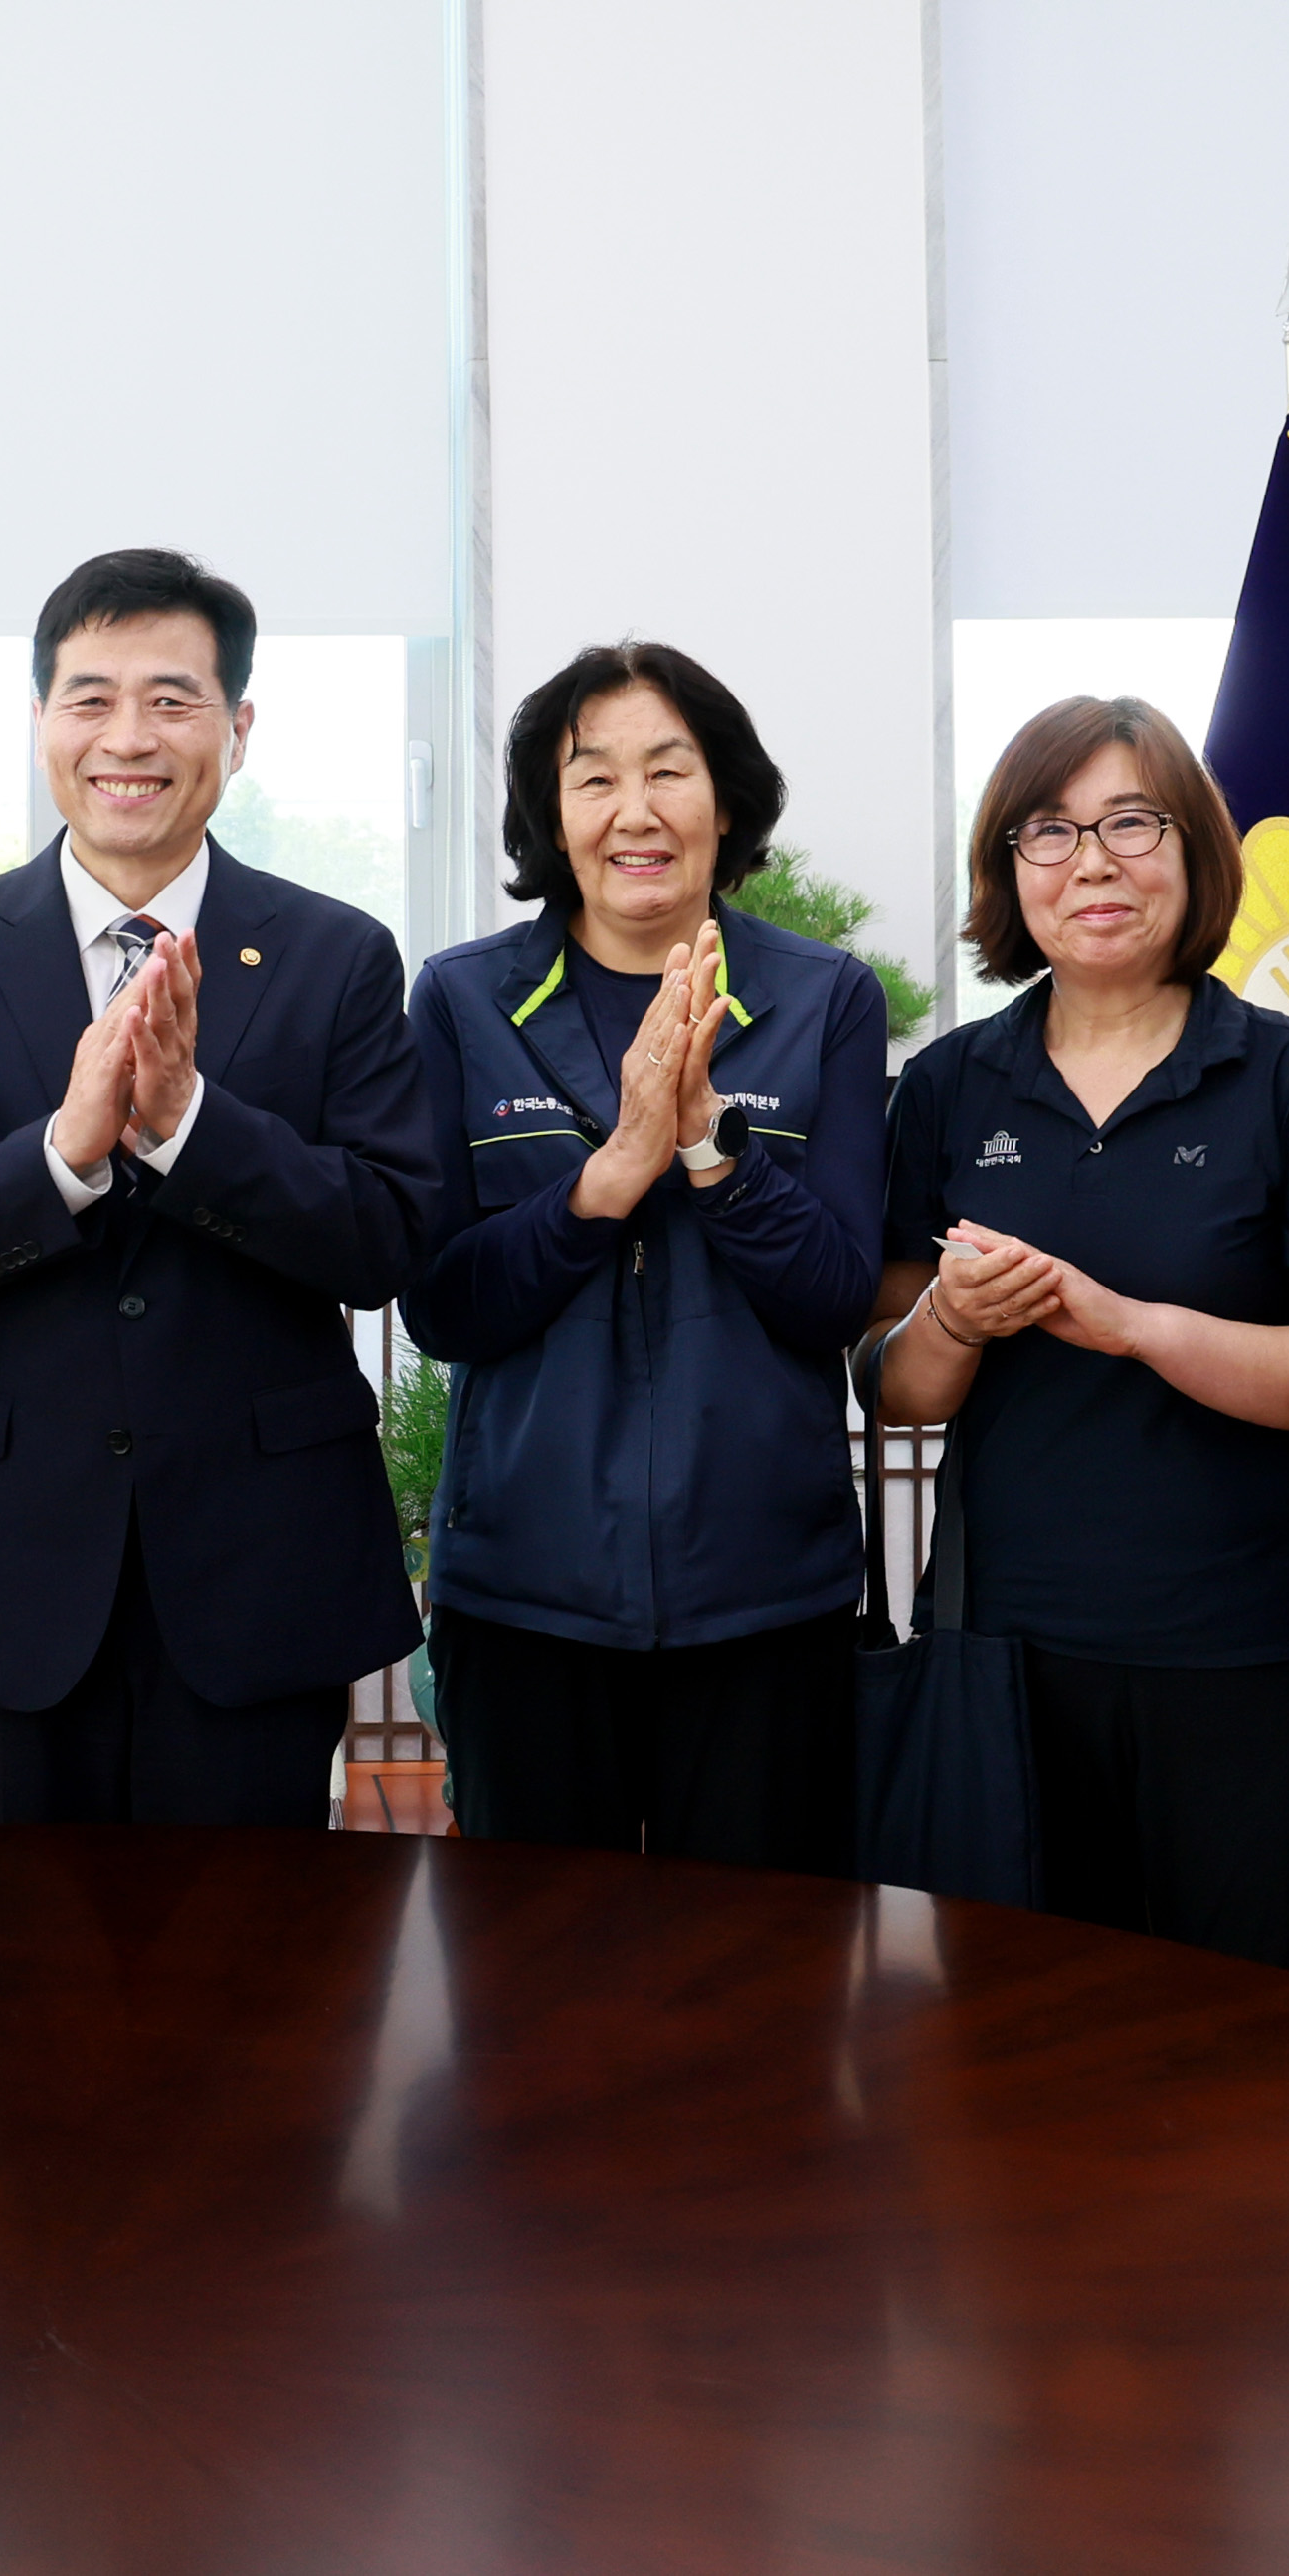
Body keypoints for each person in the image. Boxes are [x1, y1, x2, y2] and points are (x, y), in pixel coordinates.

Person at [0, 548, 446, 1826]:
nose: (129, 737)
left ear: (237, 726)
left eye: (171, 699)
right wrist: (61, 1152)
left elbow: (387, 1239)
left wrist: (189, 1129)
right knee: (1, 1995)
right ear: (40, 721)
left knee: (255, 1988)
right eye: (89, 697)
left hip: (258, 1568)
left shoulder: (336, 955)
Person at [864, 698, 1289, 1967]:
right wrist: (950, 1312)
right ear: (1006, 871)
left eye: (1128, 822)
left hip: (1249, 1651)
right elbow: (897, 1392)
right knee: (1015, 2049)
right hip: (1007, 1653)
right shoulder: (946, 1086)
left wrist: (1135, 1326)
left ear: (1194, 850)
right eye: (1045, 831)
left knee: (1246, 2050)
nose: (1090, 861)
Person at [402, 643, 883, 1870]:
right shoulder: (461, 999)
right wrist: (611, 1171)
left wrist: (712, 1147)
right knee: (533, 1999)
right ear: (548, 818)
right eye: (592, 778)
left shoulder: (821, 995)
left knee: (759, 1992)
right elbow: (443, 1304)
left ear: (725, 801)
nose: (635, 812)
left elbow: (832, 1293)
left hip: (764, 1588)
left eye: (669, 771)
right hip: (522, 1589)